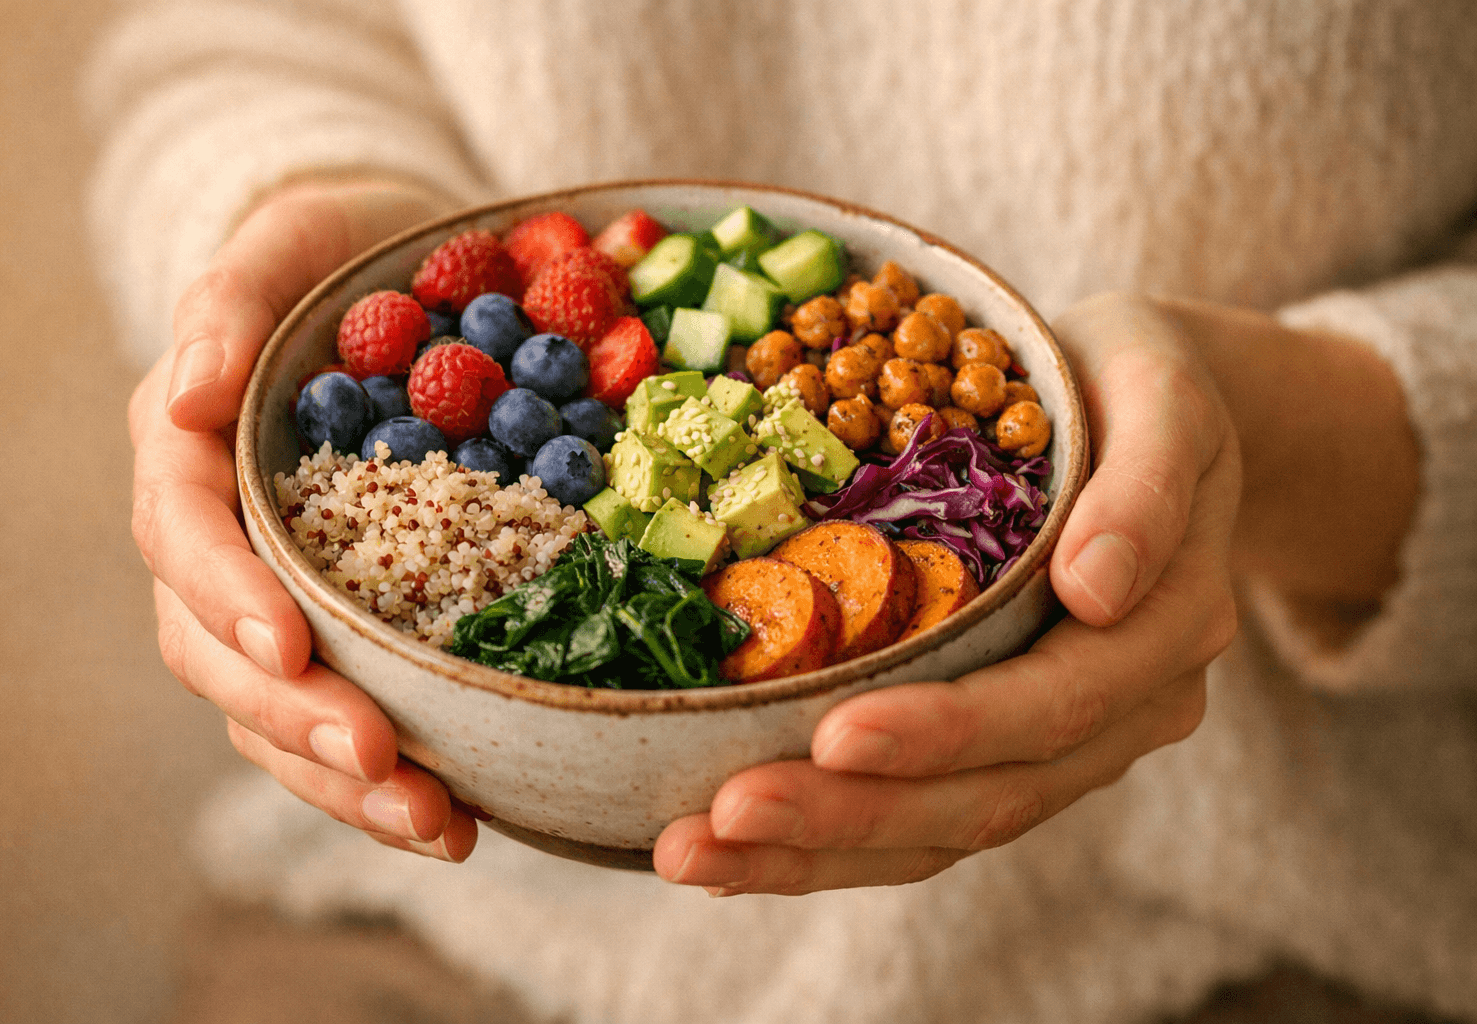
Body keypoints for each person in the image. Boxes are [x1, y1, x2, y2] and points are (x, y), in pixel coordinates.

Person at [88, 1, 1477, 1021]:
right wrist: (299, 221)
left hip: (1272, 904)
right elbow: (242, 45)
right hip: (450, 892)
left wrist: (1273, 434)